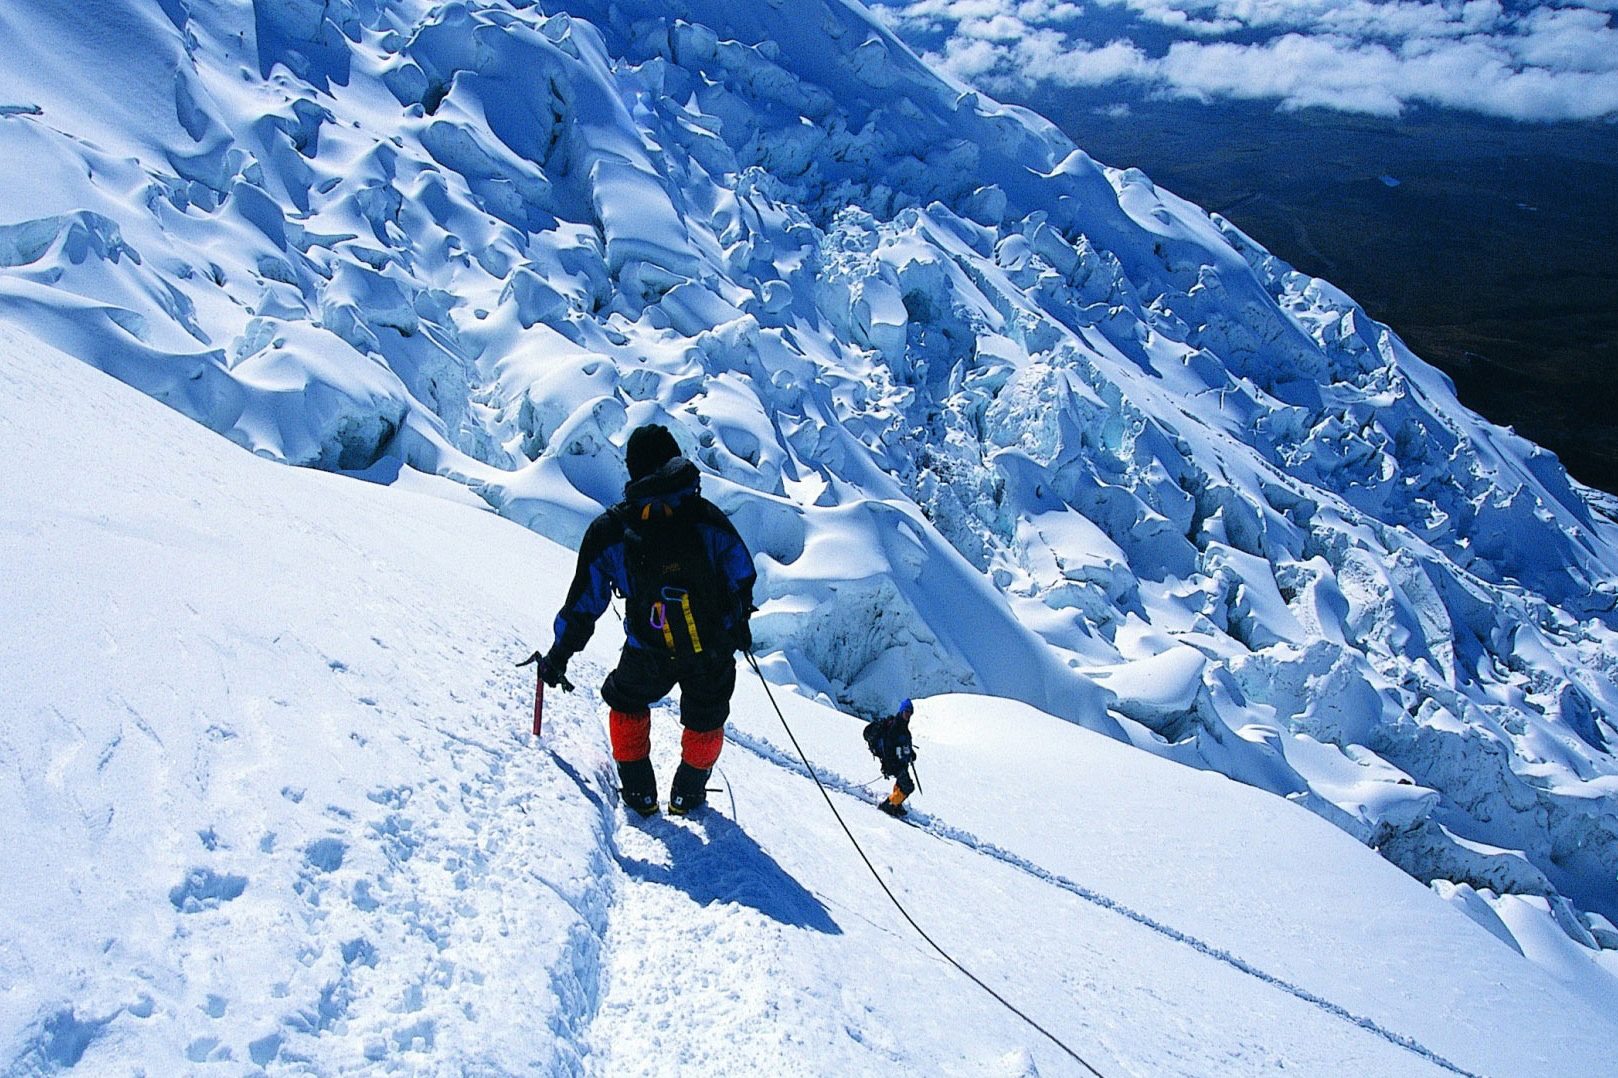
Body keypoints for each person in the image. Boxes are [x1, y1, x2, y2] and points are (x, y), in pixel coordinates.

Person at [536, 423, 756, 817]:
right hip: (709, 648)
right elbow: (741, 573)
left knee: (627, 700)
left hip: (647, 647)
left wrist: (560, 654)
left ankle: (638, 791)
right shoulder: (706, 517)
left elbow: (585, 602)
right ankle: (688, 794)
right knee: (706, 716)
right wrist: (738, 621)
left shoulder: (612, 530)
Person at [863, 699, 917, 817]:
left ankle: (896, 804)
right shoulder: (895, 728)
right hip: (894, 763)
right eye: (906, 711)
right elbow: (888, 748)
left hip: (900, 762)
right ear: (902, 711)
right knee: (908, 787)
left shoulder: (903, 728)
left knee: (902, 784)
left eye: (910, 712)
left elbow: (904, 744)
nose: (908, 715)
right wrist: (889, 765)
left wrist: (911, 754)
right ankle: (889, 805)